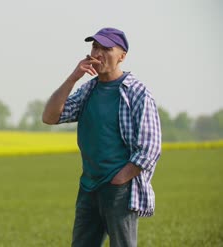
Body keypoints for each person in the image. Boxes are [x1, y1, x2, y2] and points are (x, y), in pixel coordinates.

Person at [42, 27, 162, 247]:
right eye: (95, 46)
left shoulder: (137, 92)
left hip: (119, 190)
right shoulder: (88, 90)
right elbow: (50, 117)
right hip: (88, 187)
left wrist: (120, 179)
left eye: (106, 48)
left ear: (122, 56)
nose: (97, 52)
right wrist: (73, 78)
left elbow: (150, 148)